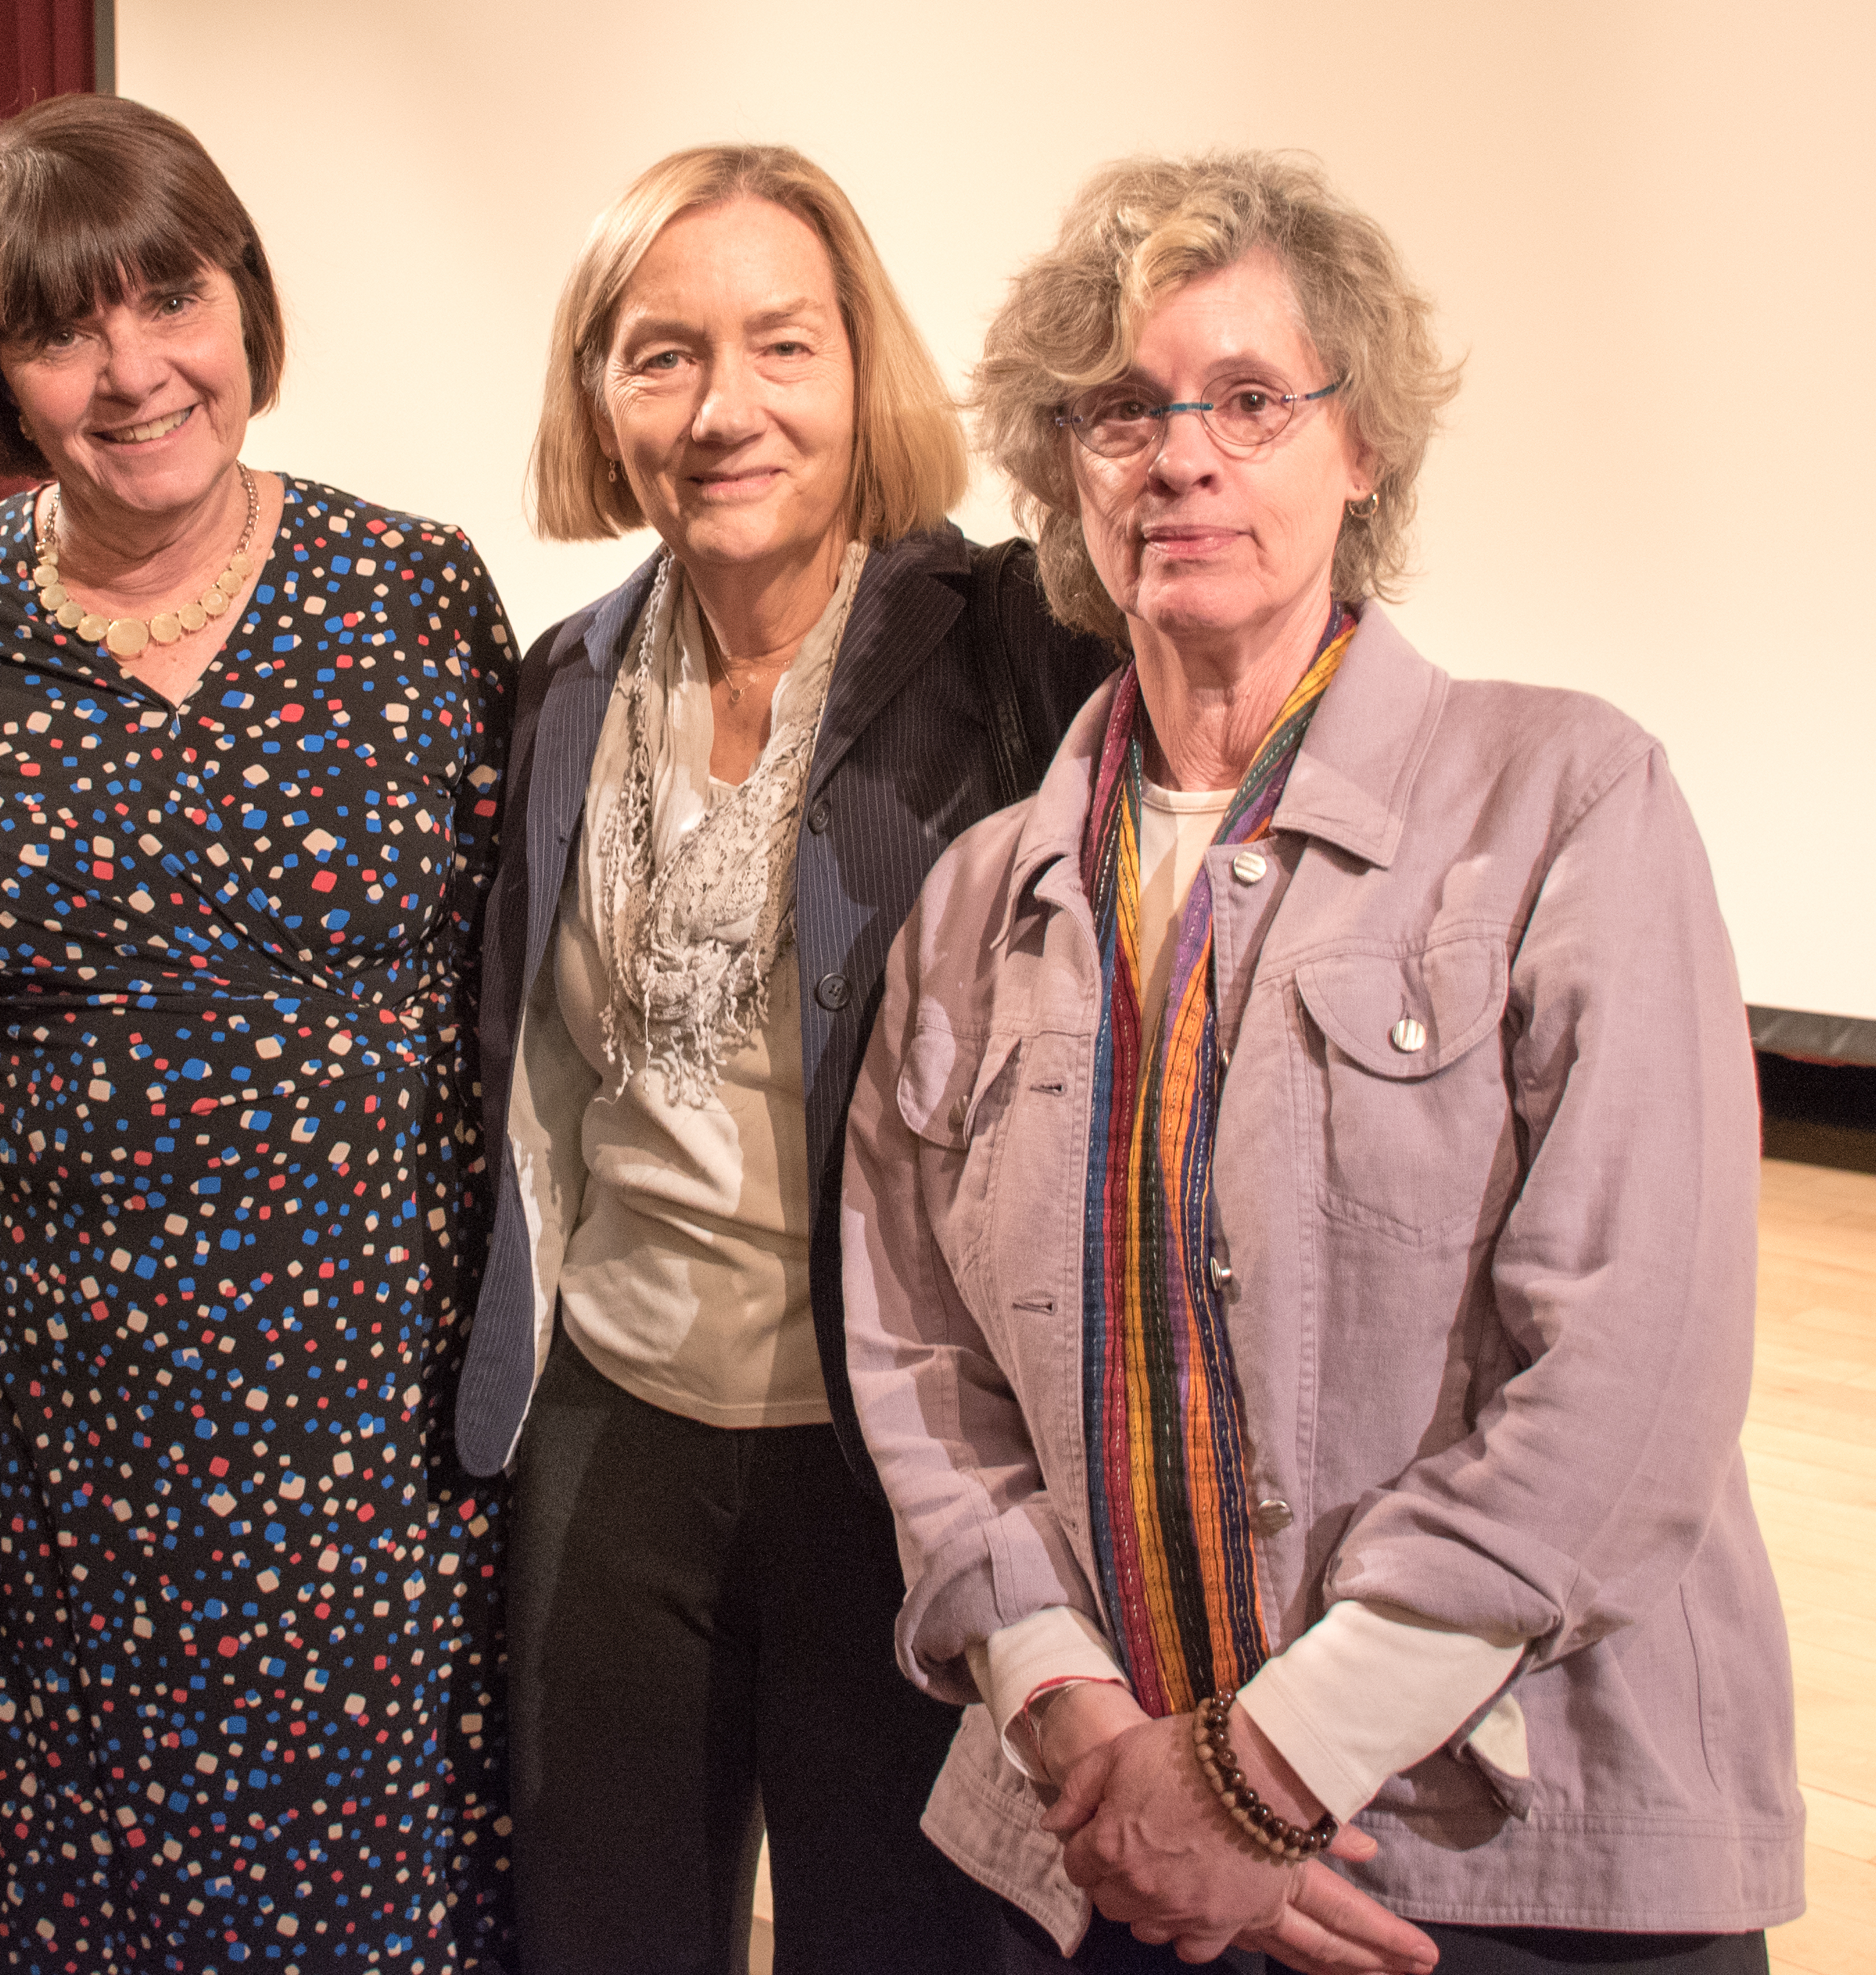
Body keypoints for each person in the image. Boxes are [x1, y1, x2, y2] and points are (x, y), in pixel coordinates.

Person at [840, 150, 1803, 1975]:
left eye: (1248, 399)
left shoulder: (1566, 802)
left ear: (1358, 450)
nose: (1179, 456)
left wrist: (1265, 1775)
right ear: (1065, 469)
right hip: (1096, 1847)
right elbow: (920, 1377)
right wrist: (1088, 1734)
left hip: (1508, 1845)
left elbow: (1634, 1372)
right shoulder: (978, 900)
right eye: (1122, 410)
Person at [0, 94, 514, 1972]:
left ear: (242, 303)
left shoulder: (413, 596)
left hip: (388, 1460)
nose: (131, 374)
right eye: (58, 331)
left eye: (169, 298)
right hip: (75, 1455)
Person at [448, 144, 1116, 1974]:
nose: (721, 409)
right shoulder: (559, 682)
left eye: (781, 347)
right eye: (660, 355)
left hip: (897, 1453)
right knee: (601, 1931)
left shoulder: (1020, 656)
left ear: (862, 368)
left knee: (899, 1939)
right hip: (612, 1417)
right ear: (598, 396)